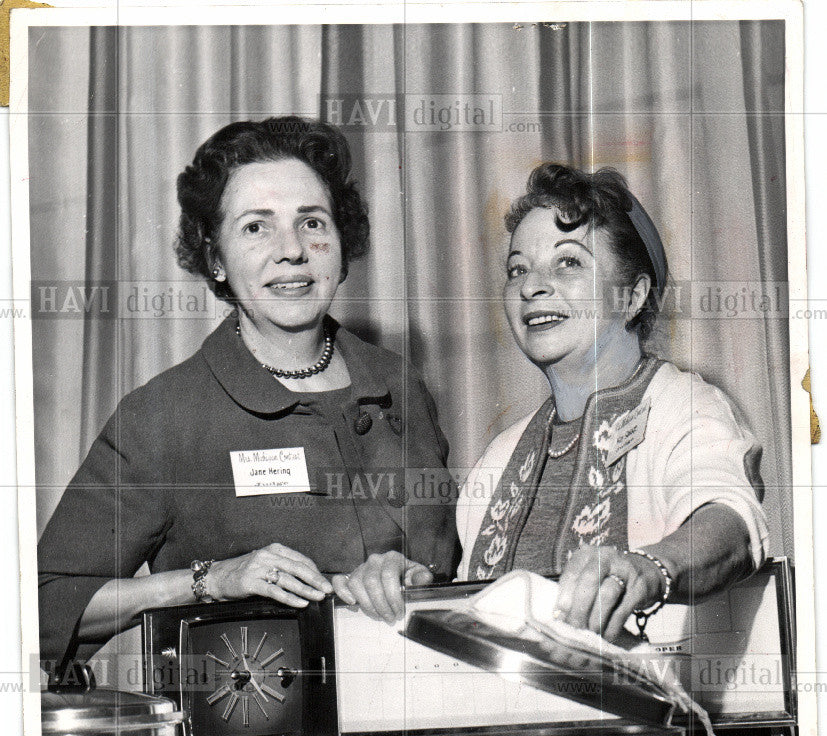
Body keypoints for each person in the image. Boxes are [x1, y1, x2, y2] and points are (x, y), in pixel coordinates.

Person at [37, 116, 458, 669]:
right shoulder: (165, 416)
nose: (292, 251)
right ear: (215, 257)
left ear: (340, 240)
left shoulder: (399, 386)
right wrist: (209, 581)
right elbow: (39, 605)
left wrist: (416, 579)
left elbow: (449, 575)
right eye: (256, 227)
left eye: (312, 222)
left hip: (422, 732)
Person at [455, 164, 768, 641]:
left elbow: (730, 524)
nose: (531, 286)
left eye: (568, 263)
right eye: (518, 268)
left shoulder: (684, 408)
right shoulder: (498, 459)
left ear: (634, 295)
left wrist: (648, 568)